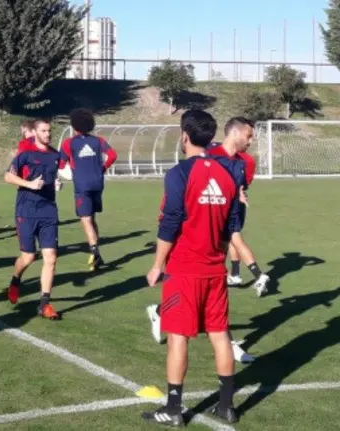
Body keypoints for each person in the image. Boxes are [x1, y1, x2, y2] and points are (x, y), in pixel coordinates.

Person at [142, 109, 240, 427]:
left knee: (178, 337)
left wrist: (158, 265)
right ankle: (226, 406)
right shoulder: (228, 175)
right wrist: (219, 254)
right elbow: (232, 227)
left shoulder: (179, 173)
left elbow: (170, 222)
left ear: (184, 135)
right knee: (220, 334)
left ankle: (173, 409)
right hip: (215, 269)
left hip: (184, 270)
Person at [4, 119, 64, 320]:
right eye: (44, 131)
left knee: (51, 258)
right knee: (28, 257)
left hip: (48, 211)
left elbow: (54, 177)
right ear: (35, 133)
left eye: (49, 130)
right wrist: (29, 184)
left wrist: (56, 184)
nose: (48, 134)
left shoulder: (55, 155)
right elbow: (8, 177)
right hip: (26, 211)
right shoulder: (25, 154)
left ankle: (45, 304)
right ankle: (16, 278)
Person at [208, 118, 270, 296]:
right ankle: (238, 274)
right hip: (212, 209)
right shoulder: (210, 155)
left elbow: (243, 186)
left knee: (230, 239)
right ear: (234, 132)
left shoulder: (244, 162)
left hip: (234, 206)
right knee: (230, 240)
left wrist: (237, 193)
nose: (251, 142)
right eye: (248, 136)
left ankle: (237, 275)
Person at [59, 108, 118, 271]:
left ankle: (95, 252)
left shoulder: (68, 143)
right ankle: (97, 251)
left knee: (85, 219)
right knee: (91, 218)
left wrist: (68, 169)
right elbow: (112, 155)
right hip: (98, 184)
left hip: (82, 186)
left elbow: (61, 165)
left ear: (74, 125)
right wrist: (103, 168)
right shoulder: (98, 141)